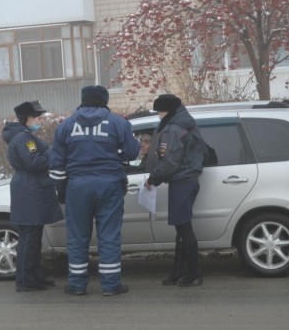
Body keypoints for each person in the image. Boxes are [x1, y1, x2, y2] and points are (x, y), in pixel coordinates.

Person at [49, 85, 140, 296]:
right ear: (104, 101)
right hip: (109, 185)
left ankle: (77, 285)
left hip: (77, 187)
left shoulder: (66, 125)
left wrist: (61, 191)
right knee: (108, 235)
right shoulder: (118, 122)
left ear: (83, 101)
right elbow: (131, 152)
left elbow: (57, 165)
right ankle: (110, 285)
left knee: (78, 237)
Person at [144, 94, 207, 287]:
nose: (159, 116)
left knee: (184, 229)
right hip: (188, 178)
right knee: (181, 229)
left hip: (181, 180)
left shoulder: (174, 128)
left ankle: (193, 273)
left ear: (168, 111)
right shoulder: (185, 123)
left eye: (160, 112)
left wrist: (153, 179)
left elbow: (171, 161)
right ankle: (178, 272)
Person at [2, 100, 63, 292]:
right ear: (27, 118)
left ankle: (35, 276)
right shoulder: (23, 138)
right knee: (29, 237)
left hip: (31, 187)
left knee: (34, 237)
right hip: (30, 188)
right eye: (37, 117)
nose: (39, 121)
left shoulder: (24, 135)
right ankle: (25, 280)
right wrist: (52, 152)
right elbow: (34, 162)